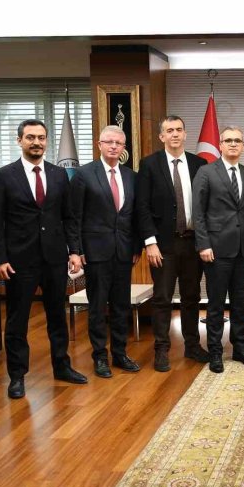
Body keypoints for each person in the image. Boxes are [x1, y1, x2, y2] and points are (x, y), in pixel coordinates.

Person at [0, 119, 86, 400]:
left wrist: (74, 250)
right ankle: (17, 376)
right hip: (19, 261)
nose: (36, 142)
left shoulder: (59, 175)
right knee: (17, 320)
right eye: (30, 137)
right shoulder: (4, 176)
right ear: (19, 140)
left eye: (41, 137)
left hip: (55, 258)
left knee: (57, 316)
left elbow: (69, 217)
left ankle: (62, 367)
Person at [136, 116, 209, 372]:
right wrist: (150, 242)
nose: (175, 134)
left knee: (191, 297)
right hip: (163, 245)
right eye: (169, 130)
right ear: (162, 136)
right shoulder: (149, 165)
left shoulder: (200, 164)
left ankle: (192, 346)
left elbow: (206, 205)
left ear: (185, 134)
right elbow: (142, 206)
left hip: (192, 243)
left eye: (179, 130)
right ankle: (161, 350)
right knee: (162, 298)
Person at [70, 125, 141, 378]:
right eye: (108, 142)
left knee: (121, 306)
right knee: (98, 307)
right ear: (99, 144)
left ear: (124, 148)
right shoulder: (83, 174)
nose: (113, 146)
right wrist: (76, 250)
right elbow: (74, 216)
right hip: (95, 253)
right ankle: (100, 356)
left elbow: (135, 216)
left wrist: (136, 247)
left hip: (124, 252)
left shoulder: (132, 177)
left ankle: (120, 353)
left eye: (118, 143)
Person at [192, 126, 244, 373]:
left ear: (243, 146)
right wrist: (203, 244)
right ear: (220, 145)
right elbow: (198, 212)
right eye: (228, 140)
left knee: (240, 303)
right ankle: (215, 352)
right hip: (216, 250)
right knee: (216, 305)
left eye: (237, 141)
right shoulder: (206, 172)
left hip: (243, 251)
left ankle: (240, 348)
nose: (233, 144)